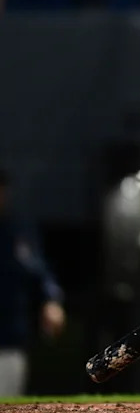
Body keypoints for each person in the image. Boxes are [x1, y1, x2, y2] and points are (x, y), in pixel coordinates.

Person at [0, 168, 66, 397]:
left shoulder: (17, 232)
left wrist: (51, 301)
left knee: (6, 405)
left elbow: (39, 273)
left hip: (9, 339)